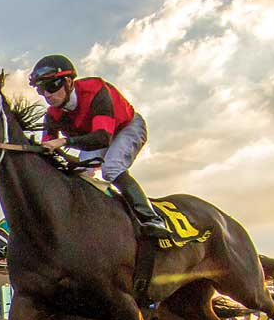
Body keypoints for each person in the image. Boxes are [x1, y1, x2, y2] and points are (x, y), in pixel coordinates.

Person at [28, 54, 170, 238]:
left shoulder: (96, 91)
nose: (47, 94)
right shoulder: (52, 115)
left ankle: (151, 218)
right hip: (96, 136)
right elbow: (49, 151)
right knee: (82, 177)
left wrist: (64, 141)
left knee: (111, 168)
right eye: (41, 90)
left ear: (69, 82)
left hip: (126, 127)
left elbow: (103, 138)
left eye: (52, 86)